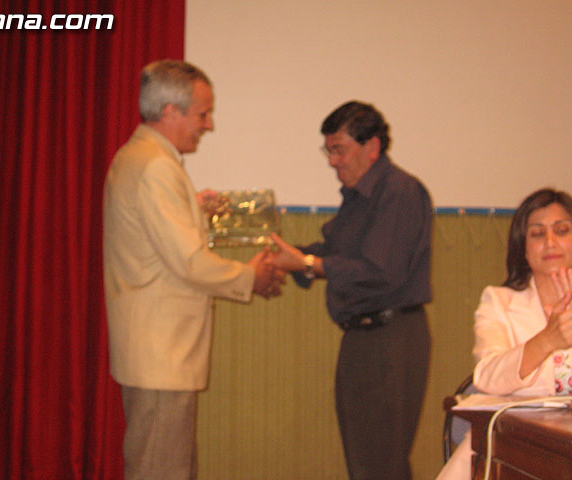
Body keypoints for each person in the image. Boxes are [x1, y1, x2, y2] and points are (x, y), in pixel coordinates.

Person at [103, 60, 282, 480]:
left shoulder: (140, 157)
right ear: (170, 112)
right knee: (161, 471)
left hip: (155, 352)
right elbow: (187, 262)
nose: (209, 124)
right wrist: (250, 277)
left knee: (164, 467)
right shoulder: (157, 168)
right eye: (203, 113)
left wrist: (193, 208)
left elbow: (154, 240)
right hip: (161, 355)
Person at [269, 101, 433, 479]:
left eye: (339, 149)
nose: (331, 161)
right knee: (368, 461)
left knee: (378, 465)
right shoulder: (360, 195)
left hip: (390, 338)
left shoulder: (400, 192)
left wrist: (306, 264)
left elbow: (382, 272)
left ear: (372, 147)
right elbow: (336, 252)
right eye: (328, 150)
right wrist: (292, 257)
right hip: (365, 338)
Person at [437, 188, 572, 480]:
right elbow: (486, 376)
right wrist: (547, 340)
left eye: (562, 230)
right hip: (512, 446)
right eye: (537, 234)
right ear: (523, 248)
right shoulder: (498, 301)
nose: (550, 242)